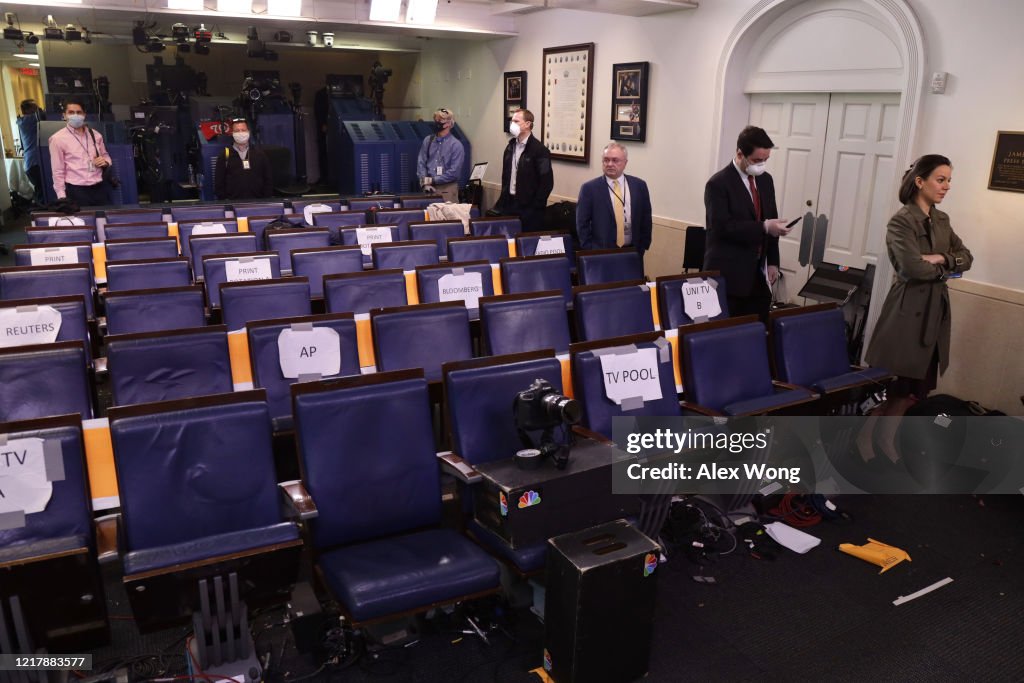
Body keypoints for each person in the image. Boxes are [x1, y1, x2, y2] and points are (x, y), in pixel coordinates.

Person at [858, 155, 973, 462]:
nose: (947, 186)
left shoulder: (942, 219)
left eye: (949, 180)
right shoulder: (901, 221)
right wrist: (945, 264)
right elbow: (911, 269)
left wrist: (941, 259)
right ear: (920, 181)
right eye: (940, 179)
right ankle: (864, 440)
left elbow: (966, 258)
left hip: (934, 312)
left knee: (910, 391)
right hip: (906, 314)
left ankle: (887, 439)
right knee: (891, 386)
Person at [703, 125, 792, 323]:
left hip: (758, 274)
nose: (761, 165)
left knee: (756, 331)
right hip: (729, 274)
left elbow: (771, 222)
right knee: (727, 333)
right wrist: (763, 227)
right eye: (757, 160)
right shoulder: (718, 184)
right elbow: (722, 227)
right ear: (740, 153)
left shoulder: (765, 181)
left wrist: (773, 262)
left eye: (766, 160)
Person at [576, 142, 652, 259]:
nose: (610, 164)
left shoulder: (639, 186)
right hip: (600, 254)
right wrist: (590, 249)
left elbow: (646, 218)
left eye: (615, 160)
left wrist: (642, 246)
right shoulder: (589, 189)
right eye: (606, 160)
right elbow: (582, 223)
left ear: (625, 163)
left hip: (633, 252)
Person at [495, 109, 553, 231]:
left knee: (526, 245)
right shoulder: (510, 147)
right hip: (509, 204)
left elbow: (546, 183)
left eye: (516, 121)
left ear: (528, 124)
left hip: (529, 209)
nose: (512, 124)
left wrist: (536, 206)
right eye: (512, 121)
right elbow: (506, 176)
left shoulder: (539, 150)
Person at [49, 97, 112, 207]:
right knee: (84, 223)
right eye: (71, 112)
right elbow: (57, 171)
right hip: (76, 190)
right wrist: (62, 197)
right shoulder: (57, 139)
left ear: (84, 114)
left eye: (79, 112)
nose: (75, 115)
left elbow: (105, 155)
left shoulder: (96, 135)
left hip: (99, 187)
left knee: (103, 220)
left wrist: (105, 162)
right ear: (64, 115)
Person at [215, 118, 273, 200]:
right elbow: (219, 183)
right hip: (233, 204)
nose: (240, 133)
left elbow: (268, 179)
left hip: (258, 203)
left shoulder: (260, 155)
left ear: (248, 132)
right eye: (237, 131)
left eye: (243, 130)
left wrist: (266, 199)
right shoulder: (224, 156)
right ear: (232, 133)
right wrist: (225, 201)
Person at [416, 107, 465, 203]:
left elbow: (454, 173)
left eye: (440, 120)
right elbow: (421, 163)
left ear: (448, 123)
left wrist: (433, 180)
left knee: (447, 217)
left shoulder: (456, 145)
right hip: (429, 189)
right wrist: (425, 183)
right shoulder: (428, 141)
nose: (436, 122)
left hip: (448, 190)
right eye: (436, 120)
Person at [17, 99, 43, 204]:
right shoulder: (29, 120)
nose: (37, 109)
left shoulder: (24, 121)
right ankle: (39, 213)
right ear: (27, 110)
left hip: (31, 164)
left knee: (40, 189)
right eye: (35, 108)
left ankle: (39, 210)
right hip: (34, 163)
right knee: (41, 190)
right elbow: (45, 114)